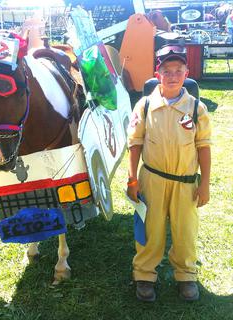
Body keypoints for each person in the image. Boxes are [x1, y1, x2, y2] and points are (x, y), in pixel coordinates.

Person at [127, 45, 212, 302]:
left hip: (186, 182)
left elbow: (204, 147)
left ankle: (186, 274)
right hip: (152, 179)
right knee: (150, 230)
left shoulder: (197, 108)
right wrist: (132, 178)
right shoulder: (145, 106)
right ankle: (144, 274)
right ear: (157, 73)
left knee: (185, 230)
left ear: (186, 74)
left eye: (178, 70)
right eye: (167, 71)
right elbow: (135, 144)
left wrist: (204, 183)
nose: (172, 76)